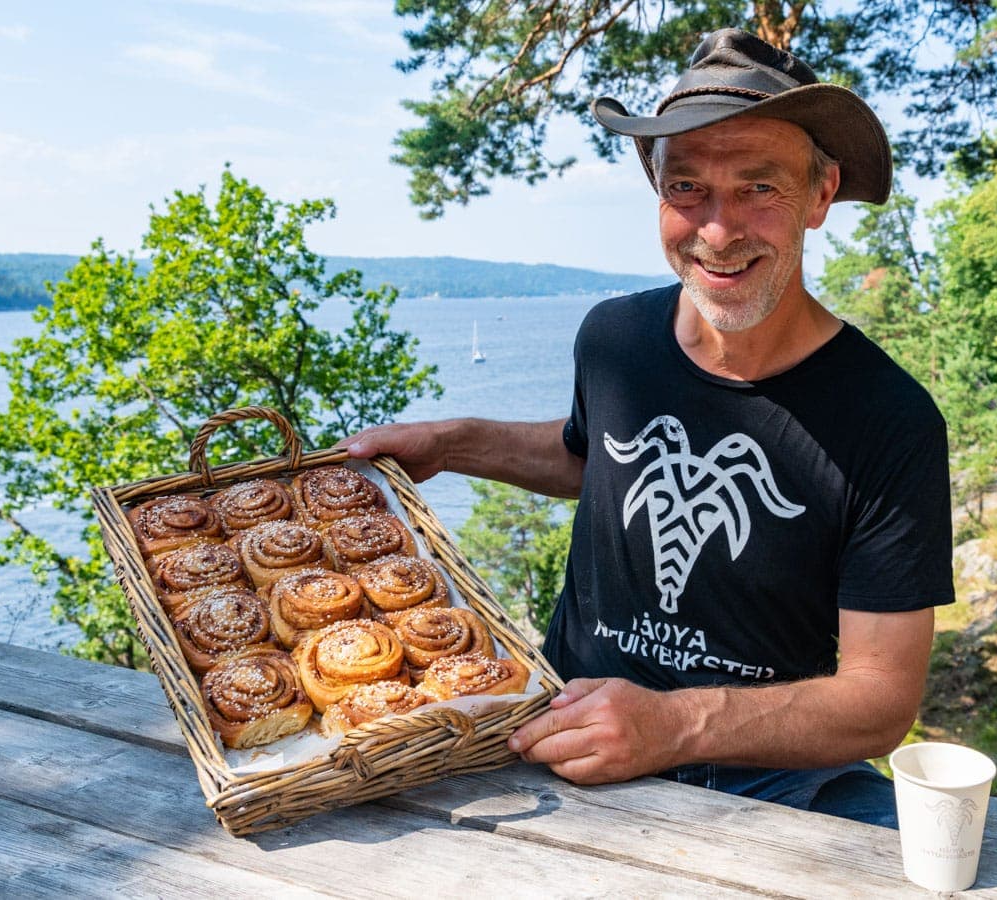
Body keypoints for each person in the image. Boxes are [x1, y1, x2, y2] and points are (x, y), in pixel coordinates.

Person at [339, 28, 954, 828]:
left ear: (820, 193)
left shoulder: (890, 419)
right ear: (655, 187)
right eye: (688, 188)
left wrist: (672, 724)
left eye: (758, 188)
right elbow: (591, 460)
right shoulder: (616, 340)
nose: (718, 231)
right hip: (568, 721)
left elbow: (878, 703)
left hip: (769, 770)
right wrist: (449, 444)